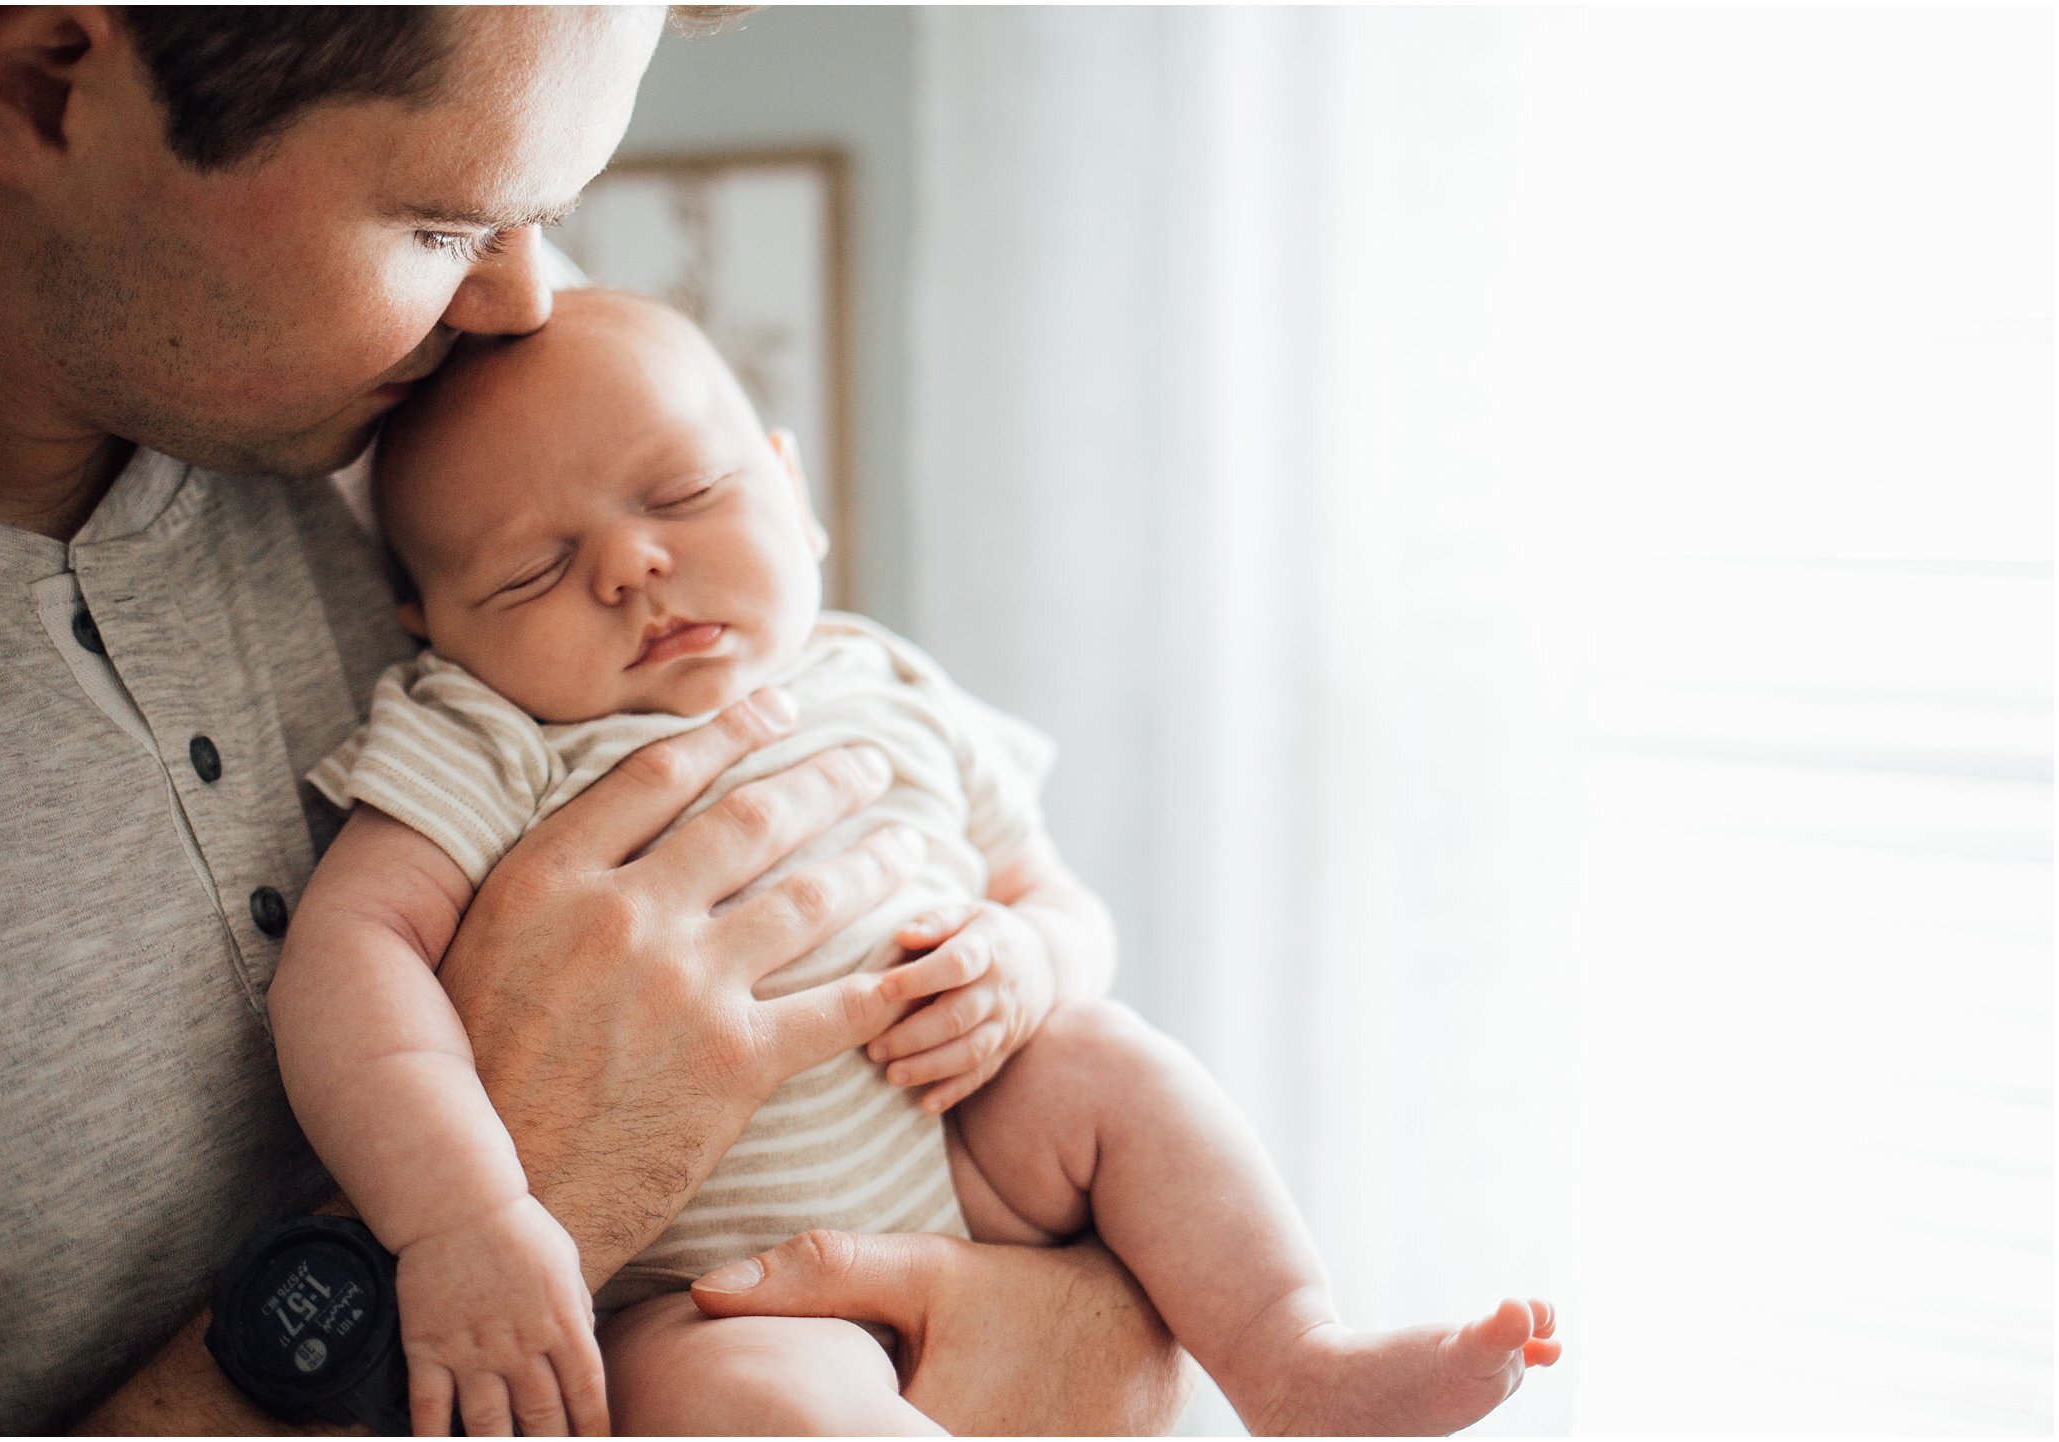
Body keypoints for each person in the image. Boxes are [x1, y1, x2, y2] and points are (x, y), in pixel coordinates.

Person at [0, 7, 1187, 1434]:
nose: (524, 304)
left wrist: (1088, 1320)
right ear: (40, 84)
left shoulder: (476, 387)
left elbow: (1103, 1329)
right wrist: (525, 1181)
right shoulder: (443, 493)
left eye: (548, 216)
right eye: (443, 226)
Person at [273, 286, 1565, 1436]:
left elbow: (1053, 895)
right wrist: (464, 1216)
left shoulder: (878, 677)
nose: (631, 563)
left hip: (966, 1150)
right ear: (428, 624)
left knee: (1108, 1057)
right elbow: (349, 955)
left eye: (683, 495)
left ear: (793, 489)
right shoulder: (483, 733)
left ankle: (1292, 1361)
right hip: (705, 1285)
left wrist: (1025, 958)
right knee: (741, 1402)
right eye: (534, 570)